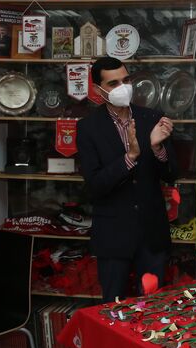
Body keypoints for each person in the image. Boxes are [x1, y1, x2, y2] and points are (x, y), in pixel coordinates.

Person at [76, 57, 178, 302]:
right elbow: (95, 186)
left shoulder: (152, 118)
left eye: (126, 80)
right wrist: (130, 157)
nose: (123, 87)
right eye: (113, 84)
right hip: (113, 235)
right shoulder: (88, 128)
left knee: (153, 308)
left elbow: (172, 174)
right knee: (113, 309)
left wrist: (157, 148)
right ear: (98, 90)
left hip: (152, 234)